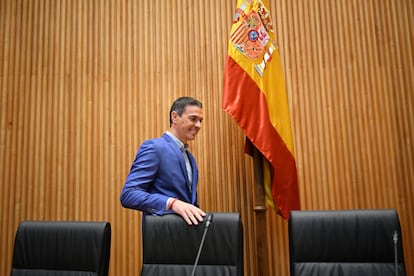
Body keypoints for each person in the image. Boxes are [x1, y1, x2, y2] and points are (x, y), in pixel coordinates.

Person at [120, 96, 206, 225]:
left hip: (187, 236)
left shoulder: (189, 157)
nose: (198, 125)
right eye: (193, 119)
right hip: (162, 236)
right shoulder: (154, 147)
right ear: (175, 117)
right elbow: (129, 195)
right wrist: (172, 203)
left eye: (200, 120)